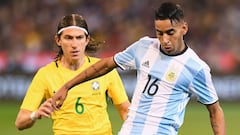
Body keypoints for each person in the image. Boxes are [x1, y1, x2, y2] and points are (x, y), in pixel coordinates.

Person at [52, 2, 226, 135]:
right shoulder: (143, 47)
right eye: (159, 32)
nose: (164, 39)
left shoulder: (196, 68)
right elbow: (104, 66)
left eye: (170, 33)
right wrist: (67, 86)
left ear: (184, 28)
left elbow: (215, 110)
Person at [15, 14, 130, 135]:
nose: (74, 44)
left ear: (87, 40)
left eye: (79, 38)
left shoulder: (104, 69)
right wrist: (35, 114)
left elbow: (125, 110)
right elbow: (20, 122)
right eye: (68, 38)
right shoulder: (45, 74)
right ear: (58, 40)